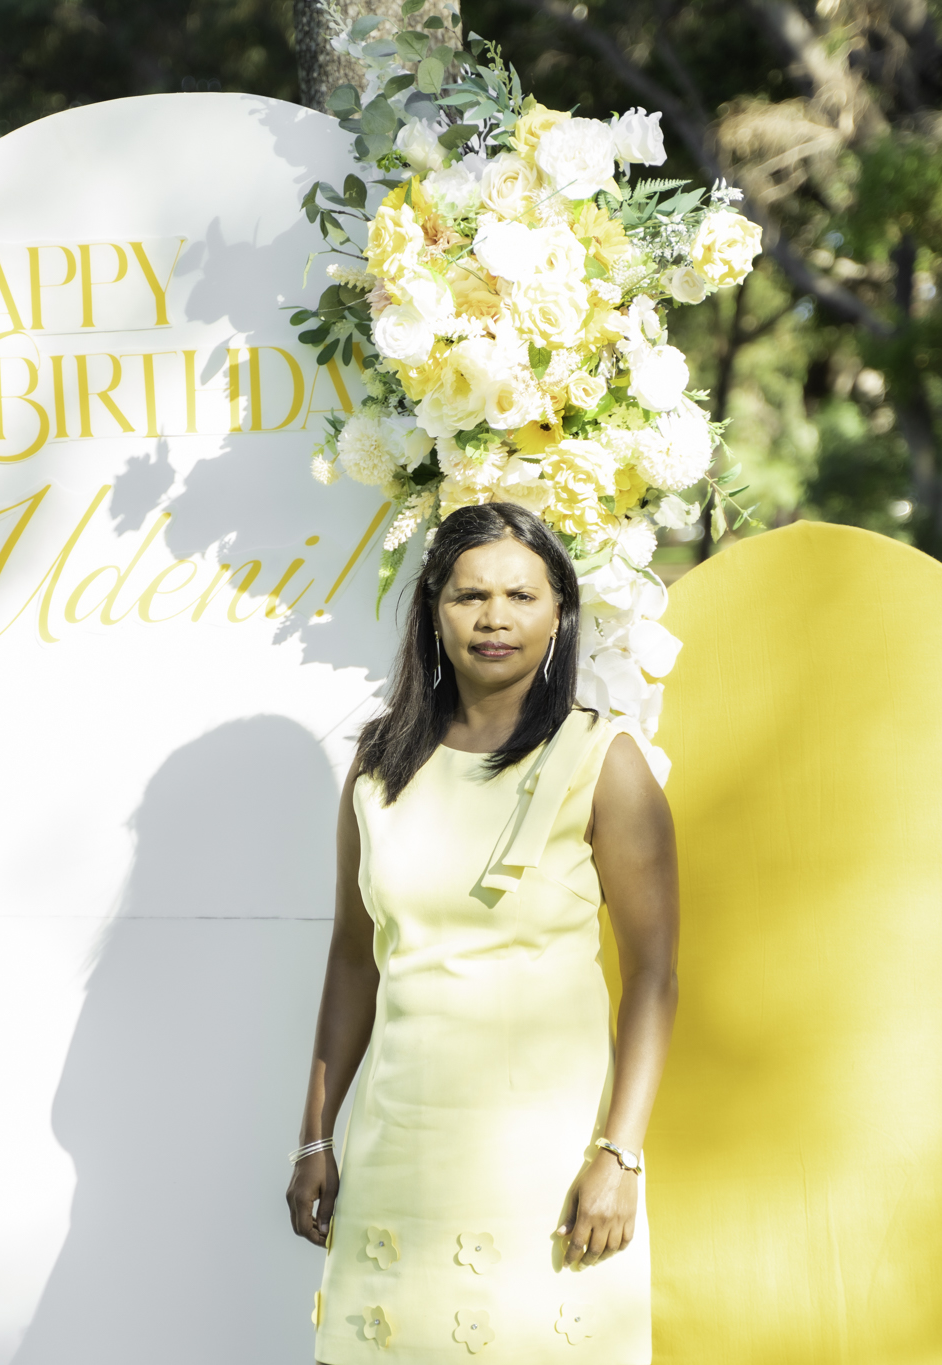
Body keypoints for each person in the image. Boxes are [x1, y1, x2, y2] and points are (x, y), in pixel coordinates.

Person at [287, 502, 680, 1363]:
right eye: (470, 595)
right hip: (399, 1149)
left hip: (550, 1161)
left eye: (521, 595)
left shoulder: (605, 760)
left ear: (559, 613)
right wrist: (316, 1133)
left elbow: (655, 976)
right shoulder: (378, 763)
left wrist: (620, 1155)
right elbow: (354, 957)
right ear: (433, 609)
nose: (494, 617)